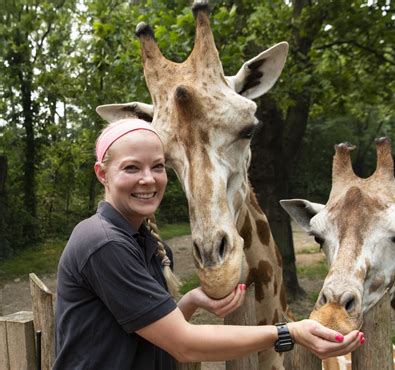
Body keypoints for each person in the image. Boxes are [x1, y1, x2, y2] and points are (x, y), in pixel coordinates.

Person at [54, 118, 364, 369]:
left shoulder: (146, 242)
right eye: (131, 167)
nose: (148, 179)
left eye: (158, 166)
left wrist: (189, 302)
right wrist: (288, 332)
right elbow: (183, 345)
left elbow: (152, 332)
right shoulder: (104, 243)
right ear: (102, 174)